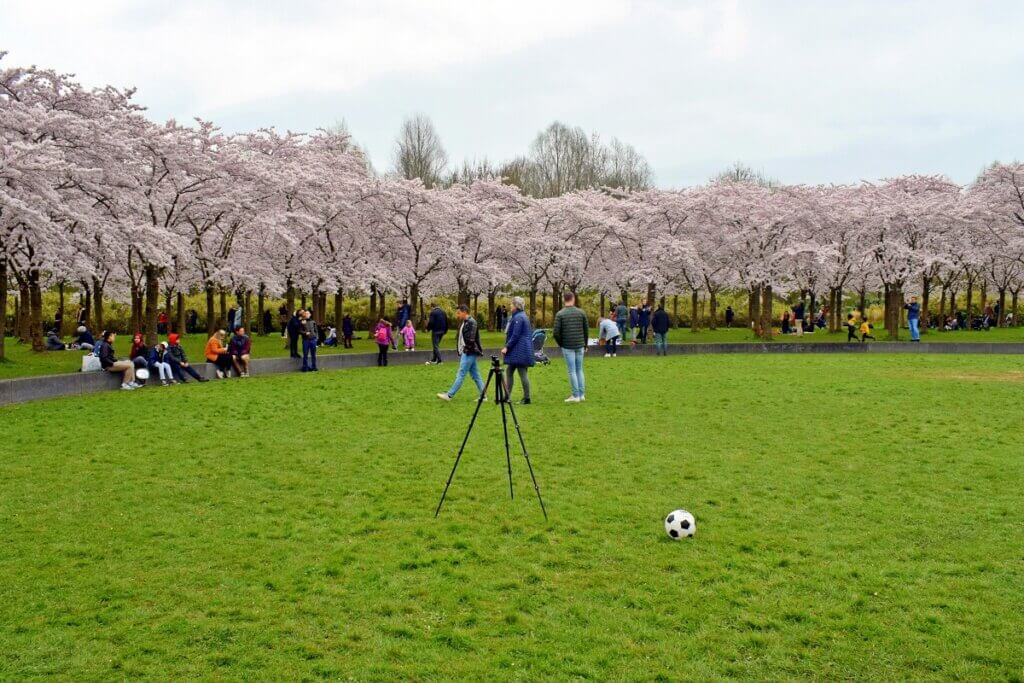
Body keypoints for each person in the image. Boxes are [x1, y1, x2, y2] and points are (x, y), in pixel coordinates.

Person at [437, 305, 485, 401]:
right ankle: (483, 396)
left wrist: (465, 350)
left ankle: (449, 395)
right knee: (476, 375)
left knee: (461, 373)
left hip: (469, 352)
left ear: (464, 312)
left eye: (458, 313)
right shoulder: (467, 322)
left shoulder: (471, 322)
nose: (457, 315)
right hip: (468, 351)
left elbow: (471, 340)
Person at [553, 291, 589, 403]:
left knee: (572, 371)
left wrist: (561, 343)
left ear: (564, 299)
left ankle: (575, 395)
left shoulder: (560, 314)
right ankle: (582, 394)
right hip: (579, 345)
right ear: (573, 299)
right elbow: (586, 330)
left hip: (567, 345)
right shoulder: (581, 313)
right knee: (579, 370)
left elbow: (556, 333)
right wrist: (585, 344)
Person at [501, 297, 534, 404]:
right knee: (509, 370)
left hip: (520, 350)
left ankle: (526, 398)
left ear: (516, 306)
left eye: (511, 304)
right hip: (521, 349)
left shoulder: (518, 318)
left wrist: (507, 347)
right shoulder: (522, 316)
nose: (510, 306)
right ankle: (507, 396)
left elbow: (515, 335)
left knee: (522, 373)